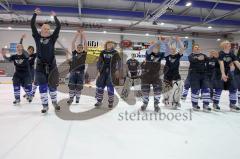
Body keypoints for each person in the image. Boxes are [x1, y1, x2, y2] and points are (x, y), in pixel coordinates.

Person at [31, 8, 61, 113]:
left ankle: (54, 102)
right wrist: (35, 14)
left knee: (52, 87)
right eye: (44, 28)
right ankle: (45, 105)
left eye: (48, 29)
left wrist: (55, 16)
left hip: (52, 66)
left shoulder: (52, 38)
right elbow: (32, 25)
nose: (46, 30)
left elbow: (59, 26)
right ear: (41, 30)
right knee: (43, 86)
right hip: (40, 67)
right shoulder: (37, 37)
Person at [140, 37, 165, 112]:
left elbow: (165, 49)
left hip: (156, 76)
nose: (155, 49)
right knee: (145, 90)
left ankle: (156, 104)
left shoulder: (161, 54)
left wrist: (161, 42)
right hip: (146, 76)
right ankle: (145, 103)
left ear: (159, 49)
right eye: (153, 47)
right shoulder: (148, 54)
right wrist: (155, 43)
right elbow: (149, 49)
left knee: (158, 90)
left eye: (156, 48)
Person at [95, 41, 121, 109]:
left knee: (110, 87)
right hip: (103, 71)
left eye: (111, 44)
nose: (109, 45)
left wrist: (118, 69)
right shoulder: (102, 52)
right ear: (106, 45)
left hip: (111, 72)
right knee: (100, 87)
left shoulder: (115, 52)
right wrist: (98, 70)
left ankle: (110, 102)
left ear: (112, 46)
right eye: (108, 44)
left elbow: (119, 61)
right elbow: (99, 61)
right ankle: (99, 101)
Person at [162, 36, 185, 109]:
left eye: (174, 49)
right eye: (171, 49)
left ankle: (176, 101)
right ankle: (166, 99)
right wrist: (168, 40)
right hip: (167, 75)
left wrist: (179, 41)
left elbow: (182, 48)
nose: (172, 50)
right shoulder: (167, 55)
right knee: (167, 90)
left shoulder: (178, 56)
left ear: (176, 50)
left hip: (176, 75)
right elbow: (166, 46)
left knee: (177, 89)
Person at [66, 29, 87, 104]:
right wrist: (77, 34)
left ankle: (77, 98)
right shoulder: (74, 53)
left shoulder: (84, 54)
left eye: (81, 48)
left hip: (81, 72)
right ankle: (71, 99)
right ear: (77, 48)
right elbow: (73, 43)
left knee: (79, 87)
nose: (79, 48)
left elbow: (85, 44)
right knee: (71, 85)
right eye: (78, 47)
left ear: (82, 49)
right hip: (73, 72)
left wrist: (83, 35)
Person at [218, 41, 240, 111]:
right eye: (227, 43)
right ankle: (215, 103)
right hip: (219, 72)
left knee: (233, 87)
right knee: (219, 88)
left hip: (229, 72)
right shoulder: (220, 53)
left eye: (229, 43)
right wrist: (223, 74)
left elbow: (237, 63)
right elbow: (221, 64)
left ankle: (232, 104)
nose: (229, 44)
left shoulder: (232, 54)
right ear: (224, 45)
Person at [188, 44, 211, 111]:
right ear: (193, 49)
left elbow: (208, 60)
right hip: (194, 75)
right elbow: (192, 61)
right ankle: (195, 104)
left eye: (198, 47)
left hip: (203, 74)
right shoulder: (191, 55)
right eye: (195, 47)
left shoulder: (203, 55)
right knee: (195, 90)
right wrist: (198, 58)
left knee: (206, 89)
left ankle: (206, 105)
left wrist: (211, 57)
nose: (197, 48)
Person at [19, 34, 38, 99]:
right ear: (27, 50)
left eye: (31, 50)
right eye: (29, 50)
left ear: (33, 51)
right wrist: (21, 39)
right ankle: (28, 93)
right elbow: (20, 47)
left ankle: (30, 94)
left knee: (29, 82)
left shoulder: (34, 55)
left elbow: (40, 49)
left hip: (31, 70)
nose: (30, 51)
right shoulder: (25, 54)